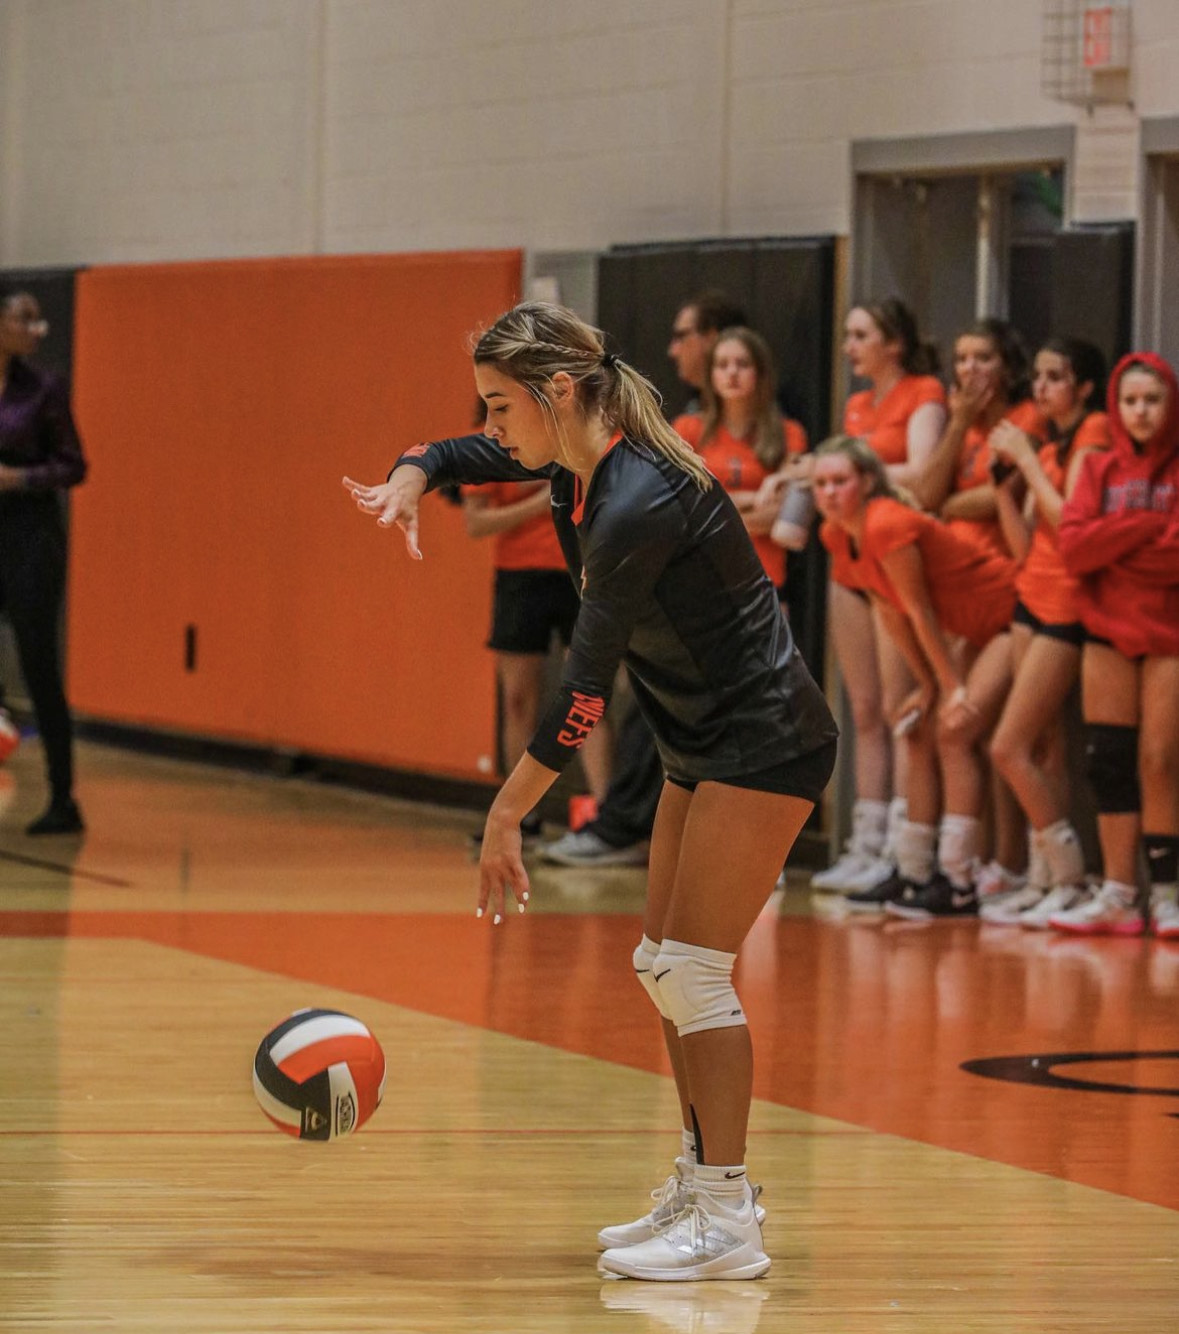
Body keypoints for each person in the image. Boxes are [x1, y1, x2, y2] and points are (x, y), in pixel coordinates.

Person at [344, 301, 838, 1281]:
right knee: (663, 961)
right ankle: (700, 1186)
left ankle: (730, 1215)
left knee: (692, 968)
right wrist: (411, 476)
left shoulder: (634, 502)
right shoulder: (572, 459)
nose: (493, 426)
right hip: (705, 741)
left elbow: (581, 692)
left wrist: (504, 809)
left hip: (764, 742)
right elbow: (450, 454)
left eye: (502, 405)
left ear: (560, 393)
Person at [541, 290, 750, 868]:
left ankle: (719, 843)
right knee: (648, 708)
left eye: (684, 334)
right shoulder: (678, 425)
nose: (673, 348)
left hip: (738, 606)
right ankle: (625, 825)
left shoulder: (778, 431)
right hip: (671, 600)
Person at [814, 436, 1015, 918]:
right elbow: (892, 613)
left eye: (840, 481)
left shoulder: (885, 523)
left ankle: (960, 878)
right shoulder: (838, 535)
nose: (829, 492)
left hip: (1010, 614)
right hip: (969, 630)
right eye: (820, 483)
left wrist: (949, 687)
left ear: (866, 482)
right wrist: (927, 685)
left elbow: (921, 611)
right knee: (917, 727)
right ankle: (914, 869)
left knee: (954, 729)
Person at [810, 300, 946, 894]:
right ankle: (863, 843)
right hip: (849, 553)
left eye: (860, 334)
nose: (849, 346)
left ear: (894, 342)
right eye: (846, 334)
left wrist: (852, 475)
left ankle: (899, 844)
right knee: (861, 707)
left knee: (899, 709)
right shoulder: (857, 405)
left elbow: (923, 471)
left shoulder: (924, 394)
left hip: (895, 553)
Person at [982, 339, 1111, 927]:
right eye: (1037, 375)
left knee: (1007, 745)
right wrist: (1003, 486)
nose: (1041, 387)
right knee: (1043, 748)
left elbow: (1072, 526)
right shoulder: (1056, 445)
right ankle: (1044, 880)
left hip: (1067, 605)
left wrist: (1029, 462)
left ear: (1084, 387)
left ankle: (1071, 876)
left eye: (1055, 377)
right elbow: (1028, 539)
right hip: (1030, 594)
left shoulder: (1094, 434)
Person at [1049, 352, 1179, 938]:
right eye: (1130, 401)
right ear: (1115, 406)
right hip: (1104, 626)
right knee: (1108, 761)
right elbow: (1072, 549)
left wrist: (1111, 545)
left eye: (1152, 399)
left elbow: (1173, 557)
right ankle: (1120, 894)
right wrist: (1145, 528)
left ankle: (1170, 894)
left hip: (1168, 629)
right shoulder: (1098, 468)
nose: (1141, 411)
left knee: (1160, 760)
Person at [462, 470, 610, 842]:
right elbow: (476, 523)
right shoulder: (491, 443)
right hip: (519, 577)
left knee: (587, 693)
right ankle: (520, 815)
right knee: (517, 700)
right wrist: (539, 504)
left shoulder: (569, 431)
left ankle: (608, 817)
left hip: (579, 571)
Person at [0, 287, 87, 835]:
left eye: (39, 322)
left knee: (38, 665)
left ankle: (63, 798)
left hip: (31, 537)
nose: (35, 330)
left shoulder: (44, 390)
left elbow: (74, 466)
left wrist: (20, 478)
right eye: (25, 319)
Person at [673, 326, 808, 591]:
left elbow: (785, 514)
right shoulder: (687, 429)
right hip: (699, 576)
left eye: (742, 364)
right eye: (722, 365)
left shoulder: (789, 433)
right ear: (711, 375)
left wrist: (711, 515)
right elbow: (681, 506)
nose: (732, 372)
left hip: (763, 579)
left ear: (760, 373)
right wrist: (752, 499)